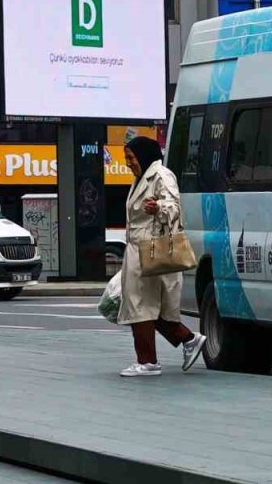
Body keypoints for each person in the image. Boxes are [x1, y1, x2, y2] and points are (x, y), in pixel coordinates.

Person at [117, 136, 206, 377]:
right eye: (127, 158)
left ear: (144, 155)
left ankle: (148, 361)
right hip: (139, 249)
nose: (128, 163)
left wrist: (158, 209)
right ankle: (187, 341)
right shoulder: (141, 178)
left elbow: (174, 207)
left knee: (141, 306)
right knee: (144, 306)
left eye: (131, 158)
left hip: (150, 248)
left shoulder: (161, 175)